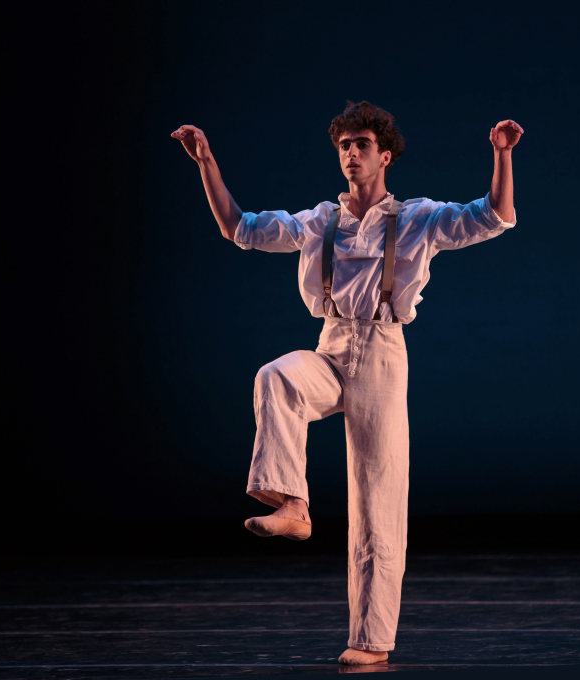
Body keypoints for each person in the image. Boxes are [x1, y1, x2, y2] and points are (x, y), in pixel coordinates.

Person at [171, 101, 522, 665]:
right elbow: (239, 228)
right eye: (344, 146)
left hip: (382, 354)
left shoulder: (417, 217)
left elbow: (494, 217)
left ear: (385, 155)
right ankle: (293, 504)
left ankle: (371, 642)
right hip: (332, 347)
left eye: (362, 144)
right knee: (277, 377)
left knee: (378, 501)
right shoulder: (319, 221)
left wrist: (501, 155)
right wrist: (206, 163)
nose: (351, 153)